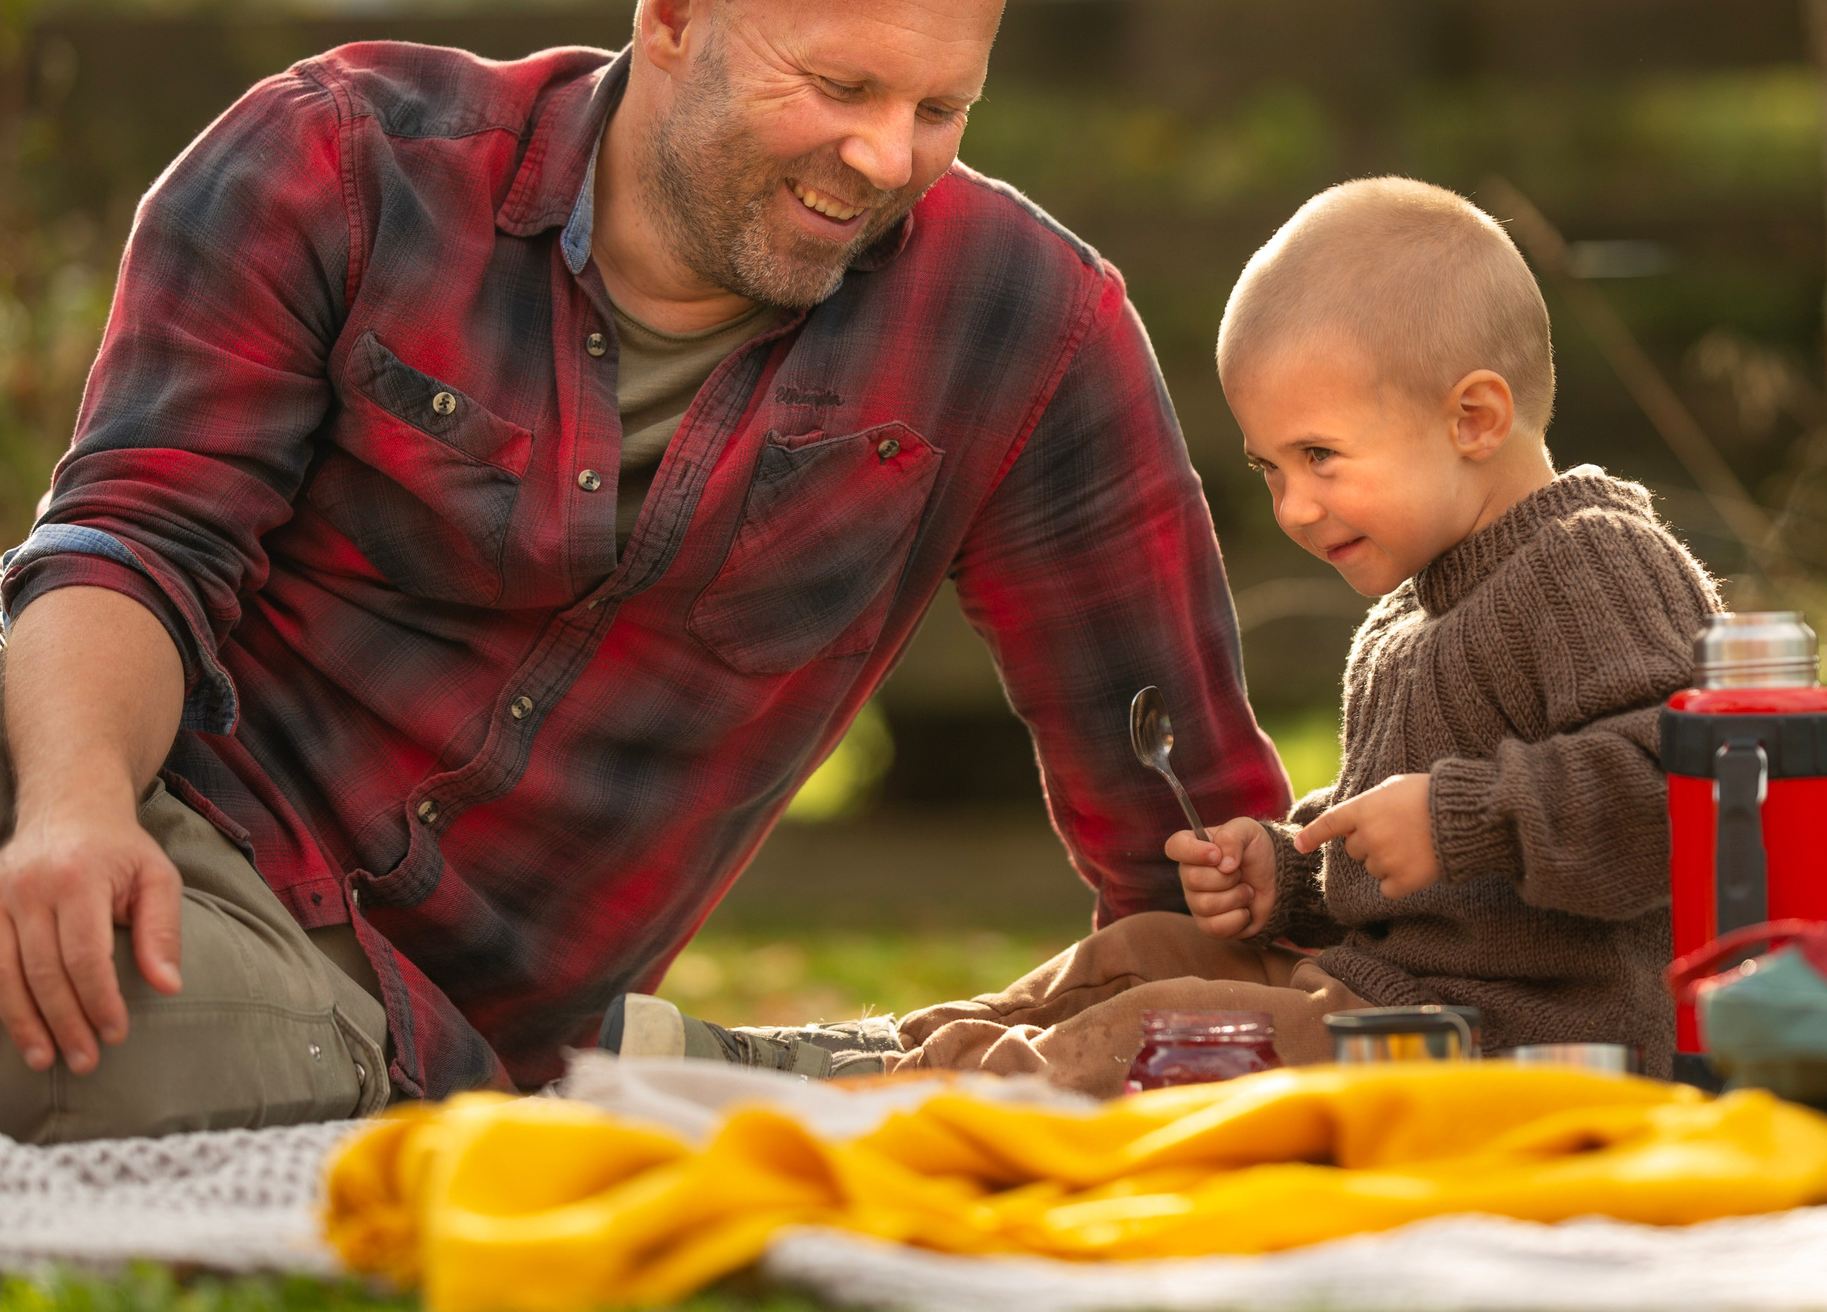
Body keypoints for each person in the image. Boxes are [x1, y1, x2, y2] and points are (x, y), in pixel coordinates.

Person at [0, 0, 1290, 1140]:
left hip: (342, 987)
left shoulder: (1026, 333)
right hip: (66, 716)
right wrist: (75, 809)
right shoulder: (342, 162)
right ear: (673, 13)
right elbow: (134, 540)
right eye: (841, 84)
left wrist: (1299, 1001)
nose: (884, 156)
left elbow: (1185, 815)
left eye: (939, 108)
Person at [622, 177, 1719, 1094]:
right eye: (1268, 469)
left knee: (1168, 1030)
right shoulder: (1407, 615)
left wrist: (1457, 818)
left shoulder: (1590, 560)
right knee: (1144, 951)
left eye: (1320, 457)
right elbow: (1403, 878)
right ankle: (880, 1054)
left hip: (1521, 1042)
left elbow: (1691, 799)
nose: (1293, 508)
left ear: (1473, 418)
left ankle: (927, 1100)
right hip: (1382, 1002)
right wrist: (1287, 871)